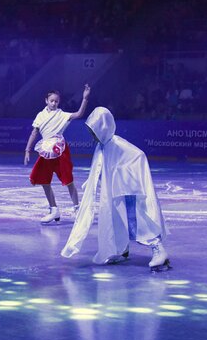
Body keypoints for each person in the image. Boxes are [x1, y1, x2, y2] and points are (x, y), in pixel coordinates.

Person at [61, 107, 171, 272]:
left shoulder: (117, 144)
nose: (91, 134)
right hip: (115, 191)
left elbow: (138, 156)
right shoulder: (103, 146)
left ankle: (158, 249)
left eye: (93, 129)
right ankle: (122, 250)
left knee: (138, 220)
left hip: (129, 191)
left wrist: (127, 180)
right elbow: (101, 167)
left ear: (102, 127)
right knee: (116, 219)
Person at [24, 85, 91, 224]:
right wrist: (27, 150)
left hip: (60, 151)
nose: (54, 103)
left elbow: (78, 114)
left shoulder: (61, 114)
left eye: (56, 101)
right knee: (43, 180)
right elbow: (34, 133)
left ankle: (77, 209)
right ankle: (54, 210)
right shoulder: (40, 115)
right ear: (46, 101)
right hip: (46, 151)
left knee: (68, 180)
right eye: (51, 101)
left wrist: (85, 98)